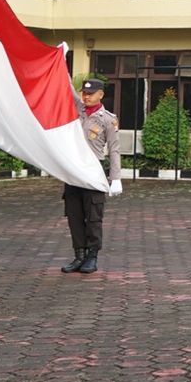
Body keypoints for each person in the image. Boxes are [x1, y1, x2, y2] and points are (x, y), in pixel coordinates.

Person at [62, 78, 122, 274]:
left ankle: (92, 256)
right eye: (84, 93)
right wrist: (61, 65)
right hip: (73, 171)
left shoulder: (108, 119)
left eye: (90, 93)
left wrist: (115, 177)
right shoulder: (77, 109)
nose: (86, 97)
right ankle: (79, 255)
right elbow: (67, 88)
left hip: (94, 171)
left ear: (101, 95)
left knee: (93, 217)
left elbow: (114, 149)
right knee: (74, 216)